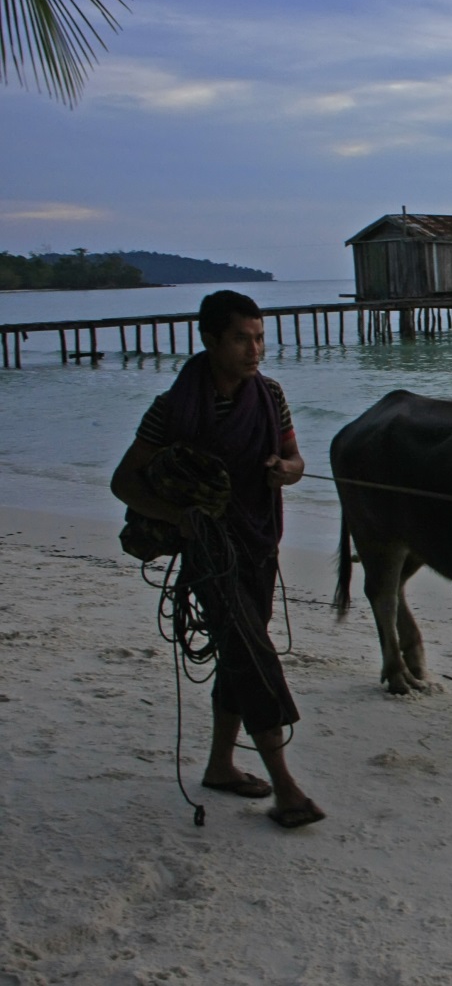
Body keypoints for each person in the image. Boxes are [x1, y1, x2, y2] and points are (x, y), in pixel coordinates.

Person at [111, 290, 324, 829]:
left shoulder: (270, 396)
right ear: (209, 340)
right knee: (251, 653)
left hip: (259, 544)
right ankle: (286, 786)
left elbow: (297, 460)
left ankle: (220, 765)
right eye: (241, 339)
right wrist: (179, 518)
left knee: (238, 649)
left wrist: (286, 469)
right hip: (208, 554)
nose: (255, 350)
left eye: (259, 338)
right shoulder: (172, 410)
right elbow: (124, 482)